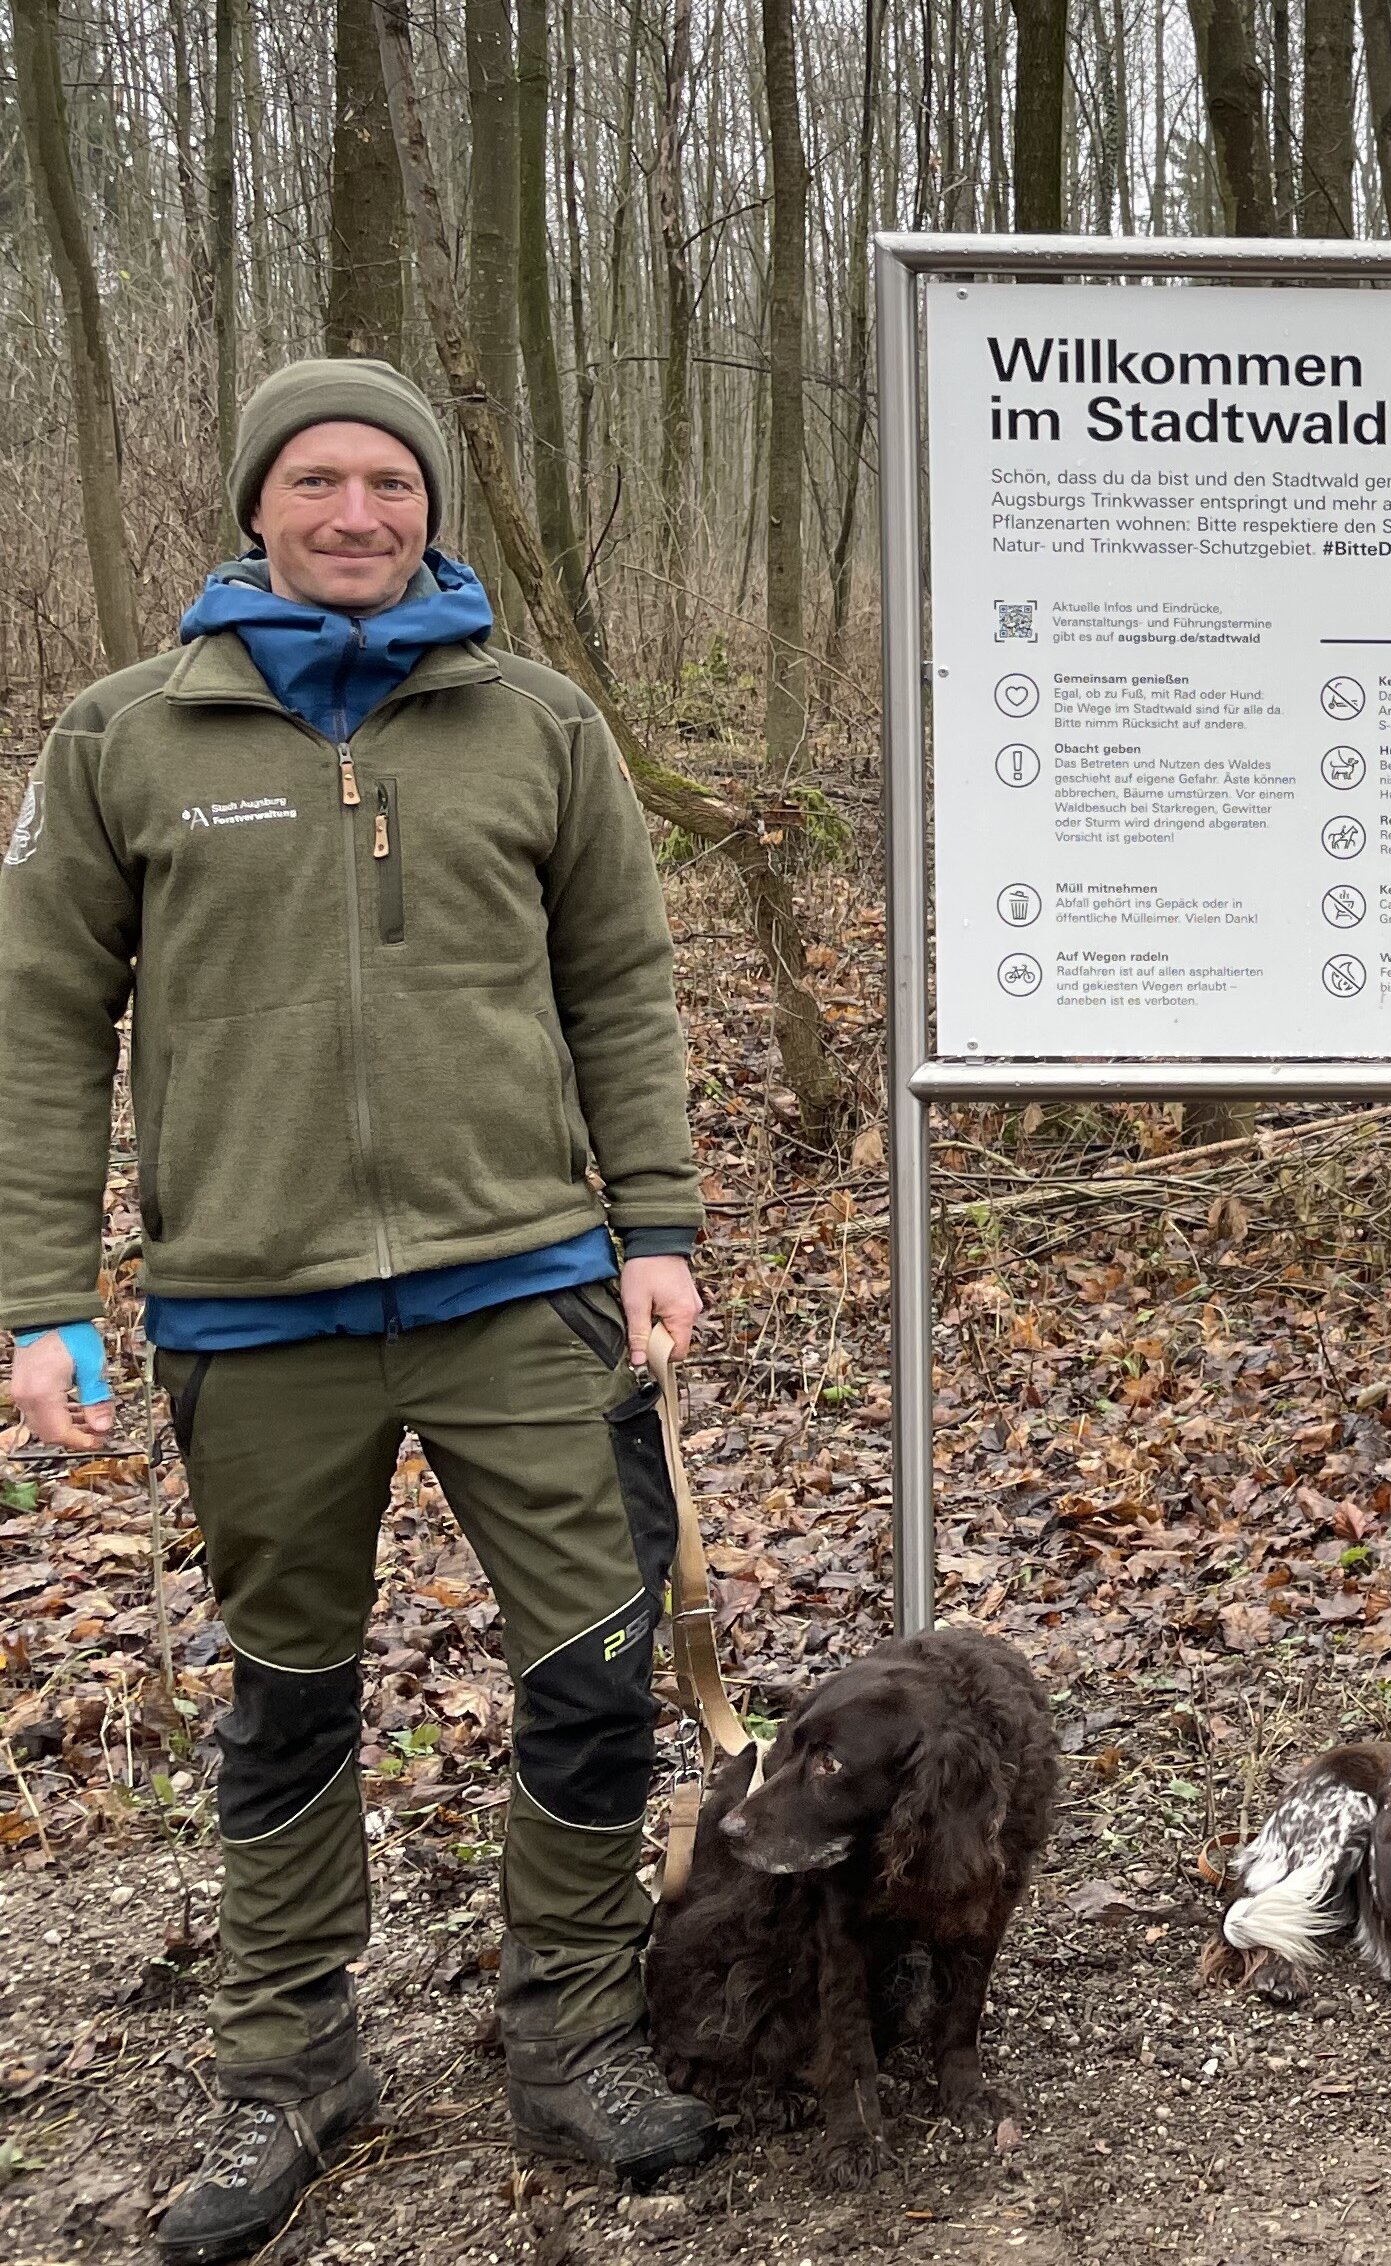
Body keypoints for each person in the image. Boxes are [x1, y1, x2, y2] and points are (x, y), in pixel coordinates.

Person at [0, 360, 722, 2264]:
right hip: (251, 1309)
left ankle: (572, 2032)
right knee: (290, 1693)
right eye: (315, 479)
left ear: (432, 508)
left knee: (596, 1664)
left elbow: (622, 984)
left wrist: (655, 1221)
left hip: (525, 1286)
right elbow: (44, 1023)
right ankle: (290, 2064)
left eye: (389, 482)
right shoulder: (125, 737)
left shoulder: (537, 723)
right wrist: (42, 1296)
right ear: (257, 504)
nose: (353, 512)